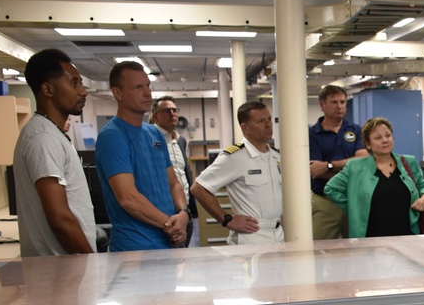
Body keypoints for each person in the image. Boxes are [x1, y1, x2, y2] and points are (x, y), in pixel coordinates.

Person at [95, 61, 189, 251]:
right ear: (117, 93)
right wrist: (172, 225)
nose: (147, 93)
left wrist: (183, 213)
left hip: (167, 242)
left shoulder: (154, 133)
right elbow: (128, 198)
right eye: (138, 87)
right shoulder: (113, 136)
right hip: (136, 247)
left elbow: (174, 183)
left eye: (148, 86)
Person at [12, 48, 97, 257]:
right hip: (61, 275)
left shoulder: (51, 133)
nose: (83, 91)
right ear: (48, 89)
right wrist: (92, 262)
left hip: (68, 270)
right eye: (74, 83)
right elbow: (60, 219)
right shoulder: (43, 138)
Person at [191, 101, 284, 245]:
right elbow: (198, 188)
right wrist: (227, 219)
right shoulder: (235, 157)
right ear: (245, 128)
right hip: (251, 235)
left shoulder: (276, 156)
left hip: (278, 234)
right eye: (261, 121)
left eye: (269, 119)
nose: (268, 125)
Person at [324, 117, 424, 237]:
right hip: (371, 239)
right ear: (368, 144)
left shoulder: (408, 162)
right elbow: (330, 189)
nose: (385, 140)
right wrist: (355, 207)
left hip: (407, 236)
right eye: (378, 137)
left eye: (388, 135)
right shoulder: (354, 167)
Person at [308, 85, 368, 240]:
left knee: (359, 249)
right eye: (334, 102)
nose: (340, 106)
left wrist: (329, 166)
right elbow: (315, 171)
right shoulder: (312, 134)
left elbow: (362, 160)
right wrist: (350, 170)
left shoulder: (355, 130)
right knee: (319, 252)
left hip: (353, 200)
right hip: (325, 202)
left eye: (342, 102)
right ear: (322, 105)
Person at [150, 96, 197, 245]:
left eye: (174, 110)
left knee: (183, 255)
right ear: (155, 116)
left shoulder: (180, 140)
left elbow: (184, 174)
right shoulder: (150, 139)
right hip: (165, 209)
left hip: (185, 208)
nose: (172, 114)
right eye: (166, 111)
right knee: (170, 259)